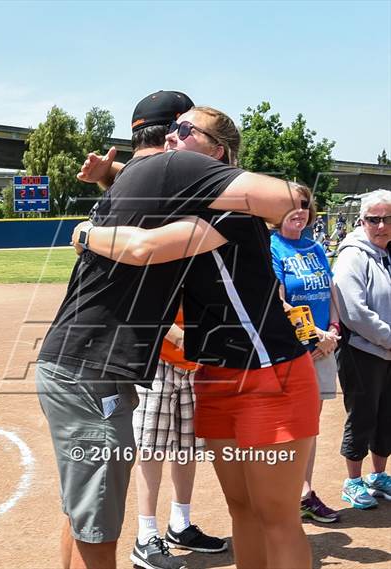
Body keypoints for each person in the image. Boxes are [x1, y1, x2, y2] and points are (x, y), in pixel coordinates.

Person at [38, 91, 306, 569]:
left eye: (186, 132)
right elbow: (155, 191)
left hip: (268, 375)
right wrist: (113, 179)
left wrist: (84, 233)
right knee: (238, 511)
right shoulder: (185, 193)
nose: (173, 139)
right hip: (211, 376)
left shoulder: (231, 209)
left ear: (216, 152)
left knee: (274, 516)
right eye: (172, 130)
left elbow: (143, 247)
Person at [131, 307, 226, 569]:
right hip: (157, 360)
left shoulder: (205, 265)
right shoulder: (157, 263)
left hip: (195, 364)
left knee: (188, 447)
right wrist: (186, 340)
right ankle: (146, 535)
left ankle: (180, 525)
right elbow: (146, 309)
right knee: (151, 448)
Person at [270, 193, 341, 523]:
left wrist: (333, 331)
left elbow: (330, 292)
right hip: (293, 348)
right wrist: (316, 334)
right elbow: (278, 300)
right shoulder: (272, 246)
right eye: (289, 207)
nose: (297, 212)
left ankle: (305, 494)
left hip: (323, 347)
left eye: (302, 206)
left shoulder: (314, 248)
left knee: (310, 427)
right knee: (287, 426)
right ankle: (282, 495)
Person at [333, 189, 391, 509]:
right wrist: (389, 338)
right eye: (374, 219)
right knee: (362, 415)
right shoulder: (353, 255)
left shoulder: (388, 252)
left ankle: (379, 476)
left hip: (387, 352)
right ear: (362, 220)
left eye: (387, 219)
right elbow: (353, 312)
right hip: (362, 351)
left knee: (386, 417)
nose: (381, 225)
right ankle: (353, 481)